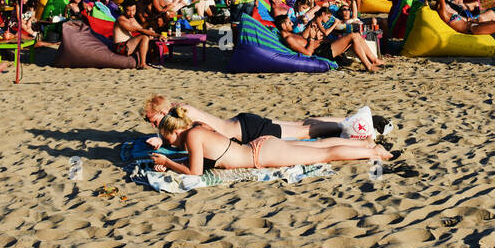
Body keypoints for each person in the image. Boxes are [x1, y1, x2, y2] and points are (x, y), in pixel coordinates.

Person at [150, 105, 390, 175]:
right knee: (316, 144)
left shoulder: (192, 136)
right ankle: (366, 143)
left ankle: (374, 152)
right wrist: (171, 160)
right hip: (259, 146)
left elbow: (195, 171)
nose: (167, 141)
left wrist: (168, 162)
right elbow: (196, 160)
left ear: (176, 130)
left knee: (322, 152)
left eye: (166, 136)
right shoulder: (197, 130)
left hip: (260, 154)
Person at [142, 96, 379, 142]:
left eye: (154, 121)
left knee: (304, 132)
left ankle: (351, 126)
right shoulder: (180, 108)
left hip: (247, 133)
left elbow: (192, 133)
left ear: (163, 113)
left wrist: (162, 142)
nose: (155, 126)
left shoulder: (178, 115)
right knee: (301, 124)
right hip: (244, 123)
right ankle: (351, 119)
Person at [113, 0, 161, 68]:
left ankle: (150, 61)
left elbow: (142, 28)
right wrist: (157, 35)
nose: (132, 13)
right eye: (128, 11)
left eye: (133, 10)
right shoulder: (121, 20)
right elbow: (138, 30)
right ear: (124, 9)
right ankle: (142, 64)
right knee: (144, 37)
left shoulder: (131, 18)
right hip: (120, 47)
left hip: (128, 44)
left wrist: (150, 32)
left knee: (148, 37)